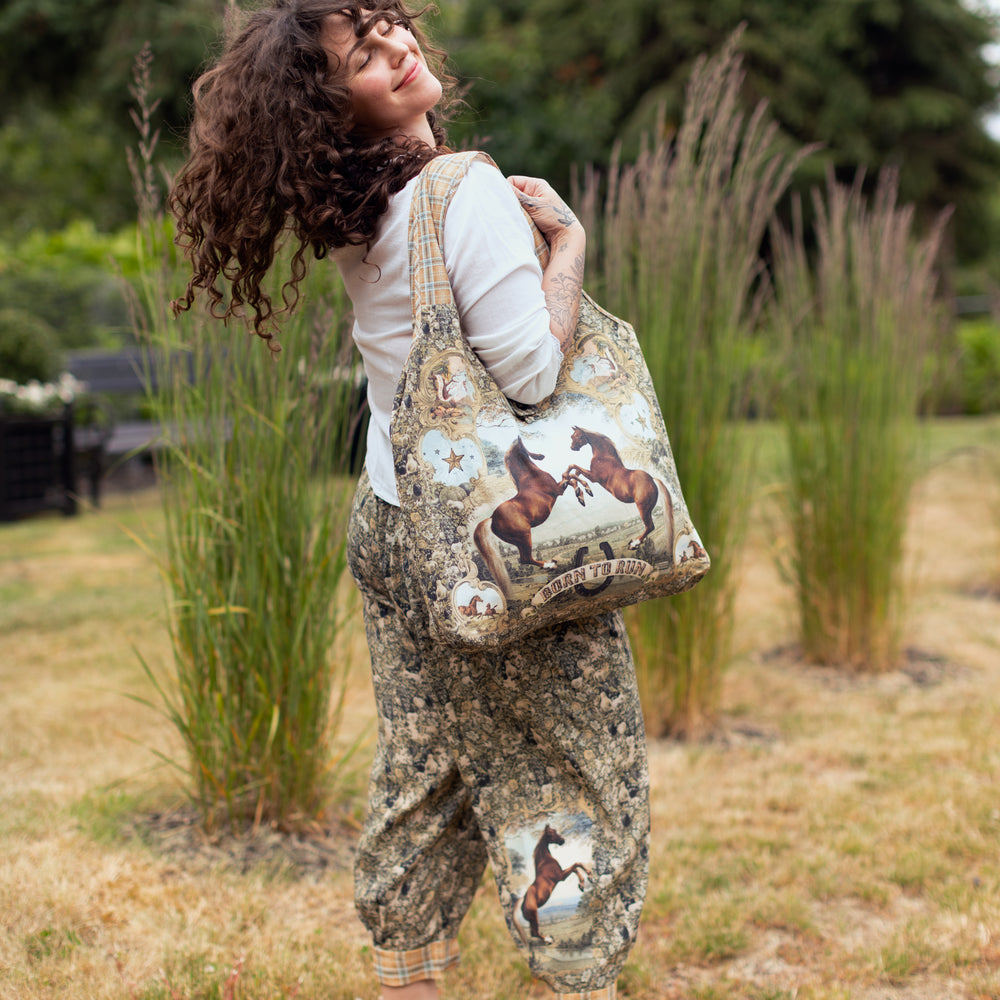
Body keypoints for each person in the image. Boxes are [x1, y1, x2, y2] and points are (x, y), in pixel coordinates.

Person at [170, 3, 650, 998]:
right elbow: (525, 369)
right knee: (573, 766)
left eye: (390, 29)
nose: (397, 49)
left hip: (393, 519)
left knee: (423, 765)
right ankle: (578, 973)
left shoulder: (357, 208)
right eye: (363, 55)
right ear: (327, 103)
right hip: (493, 532)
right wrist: (567, 247)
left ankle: (408, 976)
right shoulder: (458, 188)